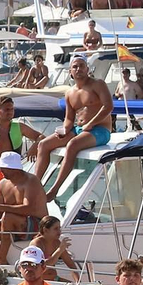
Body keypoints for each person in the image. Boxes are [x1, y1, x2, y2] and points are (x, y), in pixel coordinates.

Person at [35, 55, 114, 199]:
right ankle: (34, 184)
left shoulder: (98, 84)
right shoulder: (69, 93)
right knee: (43, 145)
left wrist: (92, 123)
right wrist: (64, 129)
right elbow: (69, 118)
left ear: (87, 69)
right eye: (75, 67)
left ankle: (55, 189)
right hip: (79, 129)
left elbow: (108, 107)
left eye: (82, 66)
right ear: (70, 71)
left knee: (72, 145)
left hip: (100, 130)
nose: (79, 69)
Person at [0, 152, 48, 266]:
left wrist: (0, 207)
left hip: (36, 225)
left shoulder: (31, 181)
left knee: (8, 217)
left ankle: (1, 257)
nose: (0, 170)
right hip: (14, 226)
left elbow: (28, 208)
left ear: (14, 169)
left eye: (3, 168)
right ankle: (4, 263)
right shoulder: (3, 183)